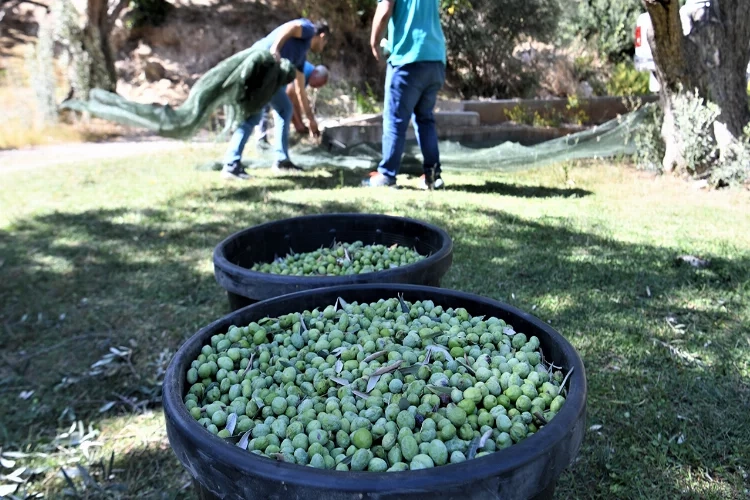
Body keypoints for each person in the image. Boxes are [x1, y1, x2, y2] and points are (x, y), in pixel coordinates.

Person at [221, 19, 330, 180]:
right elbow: (292, 26)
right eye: (325, 43)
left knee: (285, 108)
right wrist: (276, 48)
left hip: (269, 76)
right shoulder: (308, 29)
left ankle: (282, 161)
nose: (323, 47)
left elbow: (300, 91)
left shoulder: (300, 55)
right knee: (253, 116)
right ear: (321, 36)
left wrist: (311, 121)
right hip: (260, 64)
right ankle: (231, 165)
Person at [363, 0, 446, 190]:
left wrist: (374, 42)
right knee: (425, 119)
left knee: (395, 119)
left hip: (408, 59)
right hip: (435, 59)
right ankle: (433, 176)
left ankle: (387, 174)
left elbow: (385, 10)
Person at [256, 61, 330, 147]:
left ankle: (275, 143)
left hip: (275, 84)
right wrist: (298, 124)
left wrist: (300, 122)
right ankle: (262, 141)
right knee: (265, 110)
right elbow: (290, 94)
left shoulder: (308, 74)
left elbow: (296, 100)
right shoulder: (305, 71)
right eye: (319, 83)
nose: (317, 87)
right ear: (315, 73)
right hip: (268, 81)